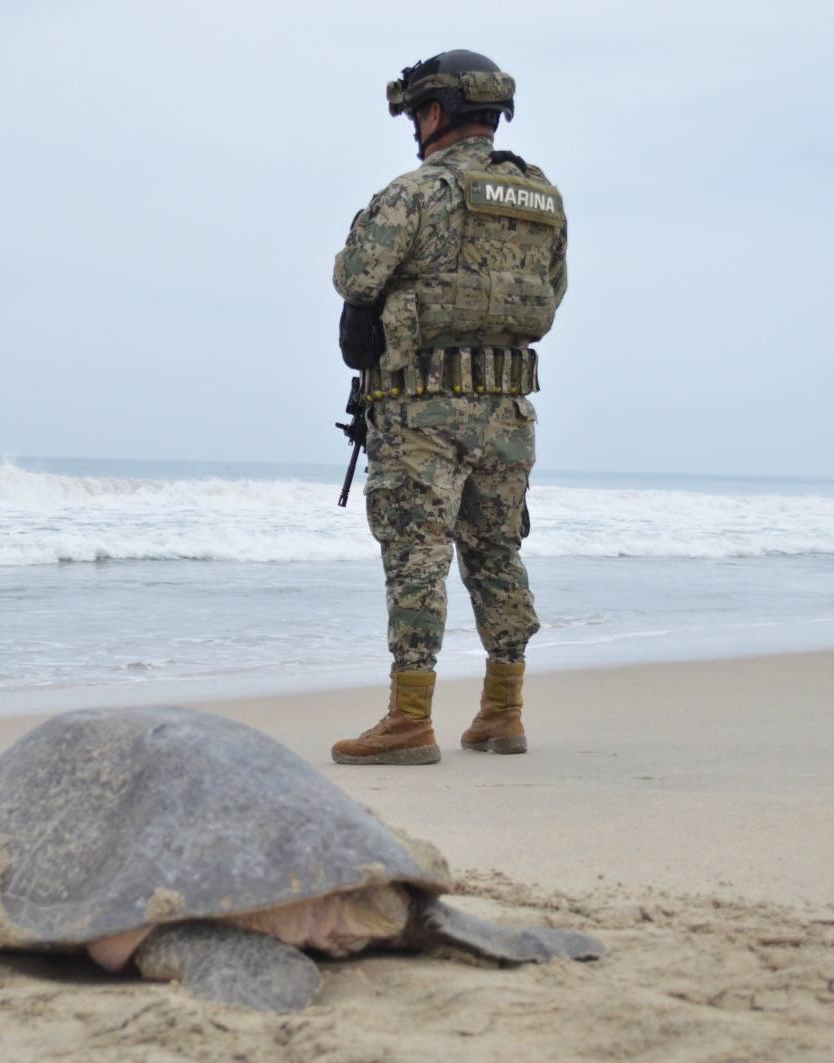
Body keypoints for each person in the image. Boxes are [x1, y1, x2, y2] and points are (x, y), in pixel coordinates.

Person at [330, 50, 568, 766]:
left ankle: (409, 720)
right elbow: (551, 299)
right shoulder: (543, 200)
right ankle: (503, 711)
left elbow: (354, 273)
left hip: (423, 413)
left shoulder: (415, 194)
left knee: (417, 557)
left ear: (435, 114)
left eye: (416, 114)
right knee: (497, 552)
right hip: (508, 412)